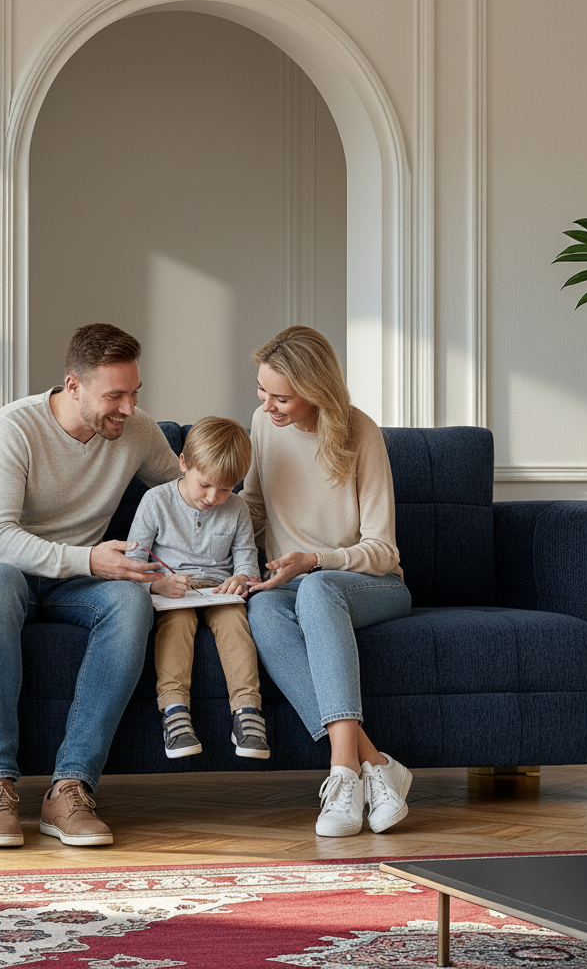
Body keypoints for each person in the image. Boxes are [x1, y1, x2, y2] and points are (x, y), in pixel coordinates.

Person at [0, 323, 181, 848]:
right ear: (73, 386)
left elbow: (186, 493)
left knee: (129, 599)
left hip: (71, 581)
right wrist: (89, 559)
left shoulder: (137, 430)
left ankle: (71, 787)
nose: (128, 407)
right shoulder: (14, 428)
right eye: (114, 395)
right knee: (4, 584)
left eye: (135, 392)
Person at [241, 325, 413, 837]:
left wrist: (316, 559)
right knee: (262, 611)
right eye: (262, 392)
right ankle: (378, 767)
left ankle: (341, 772)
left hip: (370, 585)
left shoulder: (361, 433)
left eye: (282, 397)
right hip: (287, 585)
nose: (269, 406)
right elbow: (251, 508)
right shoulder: (262, 424)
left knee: (317, 587)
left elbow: (384, 551)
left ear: (316, 390)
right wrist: (231, 563)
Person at [126, 416, 269, 762]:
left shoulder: (236, 510)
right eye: (205, 485)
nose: (212, 497)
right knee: (175, 627)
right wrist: (157, 583)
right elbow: (132, 562)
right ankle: (175, 713)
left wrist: (243, 578)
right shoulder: (155, 502)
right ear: (184, 463)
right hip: (173, 594)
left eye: (225, 488)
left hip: (220, 591)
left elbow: (247, 560)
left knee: (236, 624)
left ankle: (247, 714)